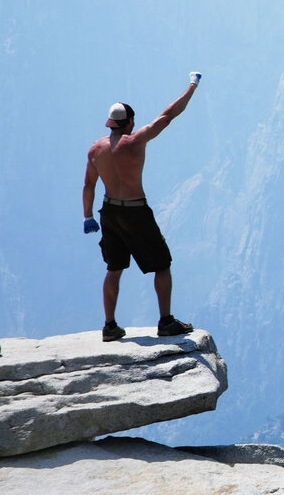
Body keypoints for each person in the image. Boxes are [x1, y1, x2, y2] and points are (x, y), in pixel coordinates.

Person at [82, 73, 202, 342]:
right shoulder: (136, 142)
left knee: (114, 269)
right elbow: (168, 115)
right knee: (162, 264)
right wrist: (192, 86)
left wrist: (88, 216)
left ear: (111, 124)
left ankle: (110, 326)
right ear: (131, 122)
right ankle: (166, 321)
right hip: (136, 211)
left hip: (109, 211)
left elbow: (89, 185)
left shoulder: (95, 150)